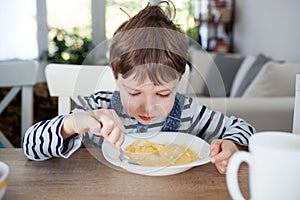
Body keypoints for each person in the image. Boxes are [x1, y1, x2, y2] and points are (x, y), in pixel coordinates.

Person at [23, 1, 255, 174]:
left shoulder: (188, 111)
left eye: (163, 93)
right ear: (116, 76)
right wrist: (73, 124)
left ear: (178, 80)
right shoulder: (98, 108)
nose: (149, 106)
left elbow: (245, 128)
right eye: (134, 92)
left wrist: (231, 145)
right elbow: (30, 145)